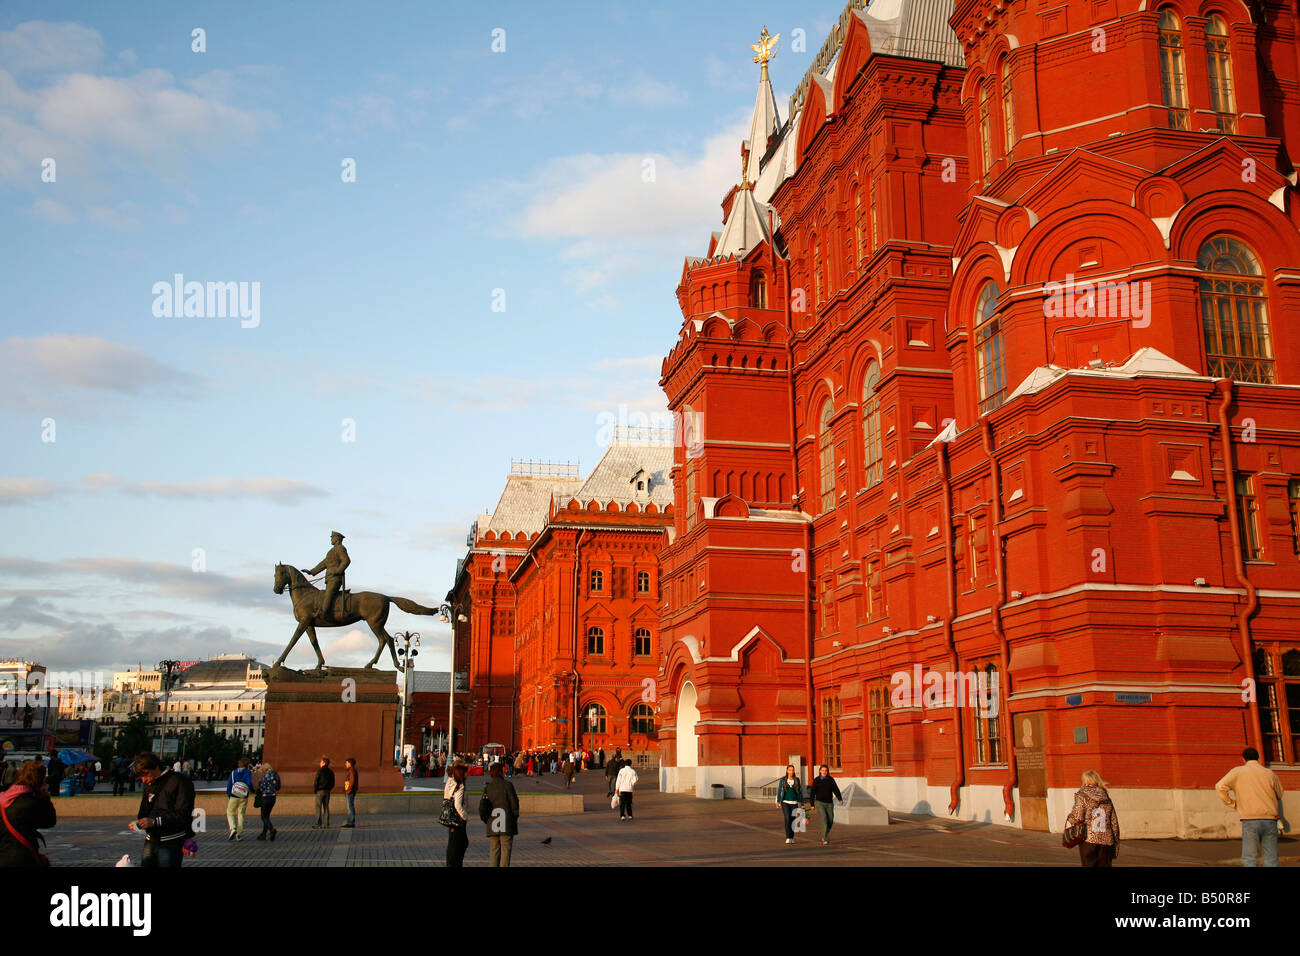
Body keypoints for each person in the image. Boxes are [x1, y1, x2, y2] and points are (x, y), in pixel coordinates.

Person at [1216, 747, 1285, 867]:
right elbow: (1279, 793)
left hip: (1250, 818)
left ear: (1243, 759)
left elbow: (1220, 786)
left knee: (1250, 858)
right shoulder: (1270, 773)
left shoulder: (1238, 771)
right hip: (1270, 818)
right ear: (1258, 758)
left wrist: (1232, 803)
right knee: (1271, 858)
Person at [132, 752, 195, 868]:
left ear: (155, 767)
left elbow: (183, 814)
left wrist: (154, 821)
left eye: (145, 775)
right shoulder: (149, 785)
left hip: (171, 842)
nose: (144, 780)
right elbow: (143, 810)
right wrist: (141, 822)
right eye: (141, 777)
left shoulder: (180, 781)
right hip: (151, 840)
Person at [0, 760, 55, 867]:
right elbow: (49, 821)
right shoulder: (30, 801)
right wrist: (44, 797)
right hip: (23, 857)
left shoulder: (3, 798)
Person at [1064, 770, 1121, 867]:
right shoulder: (1106, 797)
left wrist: (1070, 818)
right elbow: (1114, 822)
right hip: (1106, 840)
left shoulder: (1082, 796)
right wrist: (1115, 842)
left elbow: (1077, 817)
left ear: (1085, 781)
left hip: (1089, 839)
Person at [304, 530, 350, 623]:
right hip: (330, 578)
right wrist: (312, 571)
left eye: (332, 537)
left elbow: (346, 560)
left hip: (336, 578)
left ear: (337, 539)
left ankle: (324, 613)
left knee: (329, 593)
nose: (331, 539)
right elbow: (324, 563)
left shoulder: (341, 548)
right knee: (325, 594)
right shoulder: (331, 551)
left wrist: (338, 570)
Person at [482, 761, 520, 867]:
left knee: (494, 850)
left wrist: (487, 820)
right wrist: (514, 817)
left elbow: (483, 807)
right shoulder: (508, 785)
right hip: (507, 823)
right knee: (506, 851)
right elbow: (514, 804)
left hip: (493, 823)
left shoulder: (488, 788)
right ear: (500, 772)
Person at [809, 764, 843, 845]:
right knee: (824, 818)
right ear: (820, 771)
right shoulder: (816, 780)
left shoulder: (830, 779)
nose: (824, 772)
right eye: (823, 770)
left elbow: (836, 789)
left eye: (826, 770)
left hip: (829, 803)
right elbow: (812, 792)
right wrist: (812, 804)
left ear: (827, 772)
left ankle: (825, 834)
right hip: (819, 803)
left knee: (830, 820)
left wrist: (840, 799)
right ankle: (825, 838)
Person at [444, 759, 469, 867]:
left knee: (453, 844)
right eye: (465, 770)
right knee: (460, 845)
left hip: (450, 817)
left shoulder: (450, 781)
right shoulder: (460, 785)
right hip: (458, 818)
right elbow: (458, 805)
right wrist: (465, 816)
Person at [225, 757, 253, 841]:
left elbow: (229, 785)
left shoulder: (234, 772)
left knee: (230, 812)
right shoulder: (248, 772)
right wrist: (250, 791)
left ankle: (233, 828)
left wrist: (229, 795)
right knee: (241, 814)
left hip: (234, 795)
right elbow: (249, 783)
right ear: (247, 765)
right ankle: (239, 835)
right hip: (243, 796)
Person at [775, 765, 804, 844]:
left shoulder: (797, 780)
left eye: (792, 770)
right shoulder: (783, 780)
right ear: (787, 771)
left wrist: (802, 803)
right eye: (790, 770)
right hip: (785, 802)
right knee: (787, 819)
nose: (791, 772)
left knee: (793, 820)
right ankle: (788, 837)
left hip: (794, 803)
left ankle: (792, 837)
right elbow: (779, 790)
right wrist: (778, 801)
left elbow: (799, 792)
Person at [256, 761, 281, 840]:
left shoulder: (265, 777)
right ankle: (263, 834)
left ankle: (271, 829)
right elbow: (278, 787)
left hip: (265, 797)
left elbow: (261, 788)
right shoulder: (276, 775)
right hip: (273, 797)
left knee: (263, 817)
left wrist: (259, 783)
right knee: (267, 816)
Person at [312, 756, 335, 829]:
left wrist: (315, 790)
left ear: (324, 763)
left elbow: (316, 781)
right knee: (326, 807)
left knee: (318, 807)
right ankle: (326, 824)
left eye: (321, 762)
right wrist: (329, 789)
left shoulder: (320, 771)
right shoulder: (331, 772)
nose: (320, 763)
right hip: (327, 791)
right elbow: (333, 782)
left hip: (320, 791)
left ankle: (318, 824)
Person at [343, 757, 359, 828]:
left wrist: (348, 790)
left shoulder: (352, 771)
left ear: (350, 763)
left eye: (346, 763)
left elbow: (352, 782)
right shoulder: (352, 770)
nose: (345, 764)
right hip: (351, 790)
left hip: (350, 791)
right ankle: (350, 821)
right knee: (350, 806)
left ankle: (351, 822)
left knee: (350, 807)